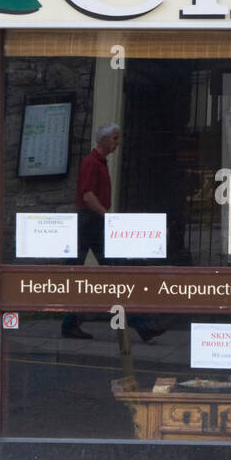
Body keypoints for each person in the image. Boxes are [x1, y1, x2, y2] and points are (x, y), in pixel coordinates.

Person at [61, 124, 161, 343]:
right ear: (104, 140)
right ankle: (141, 325)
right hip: (90, 222)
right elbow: (87, 196)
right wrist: (107, 216)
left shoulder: (100, 163)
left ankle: (71, 324)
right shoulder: (91, 162)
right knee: (109, 274)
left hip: (91, 222)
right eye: (115, 139)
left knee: (89, 273)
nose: (117, 143)